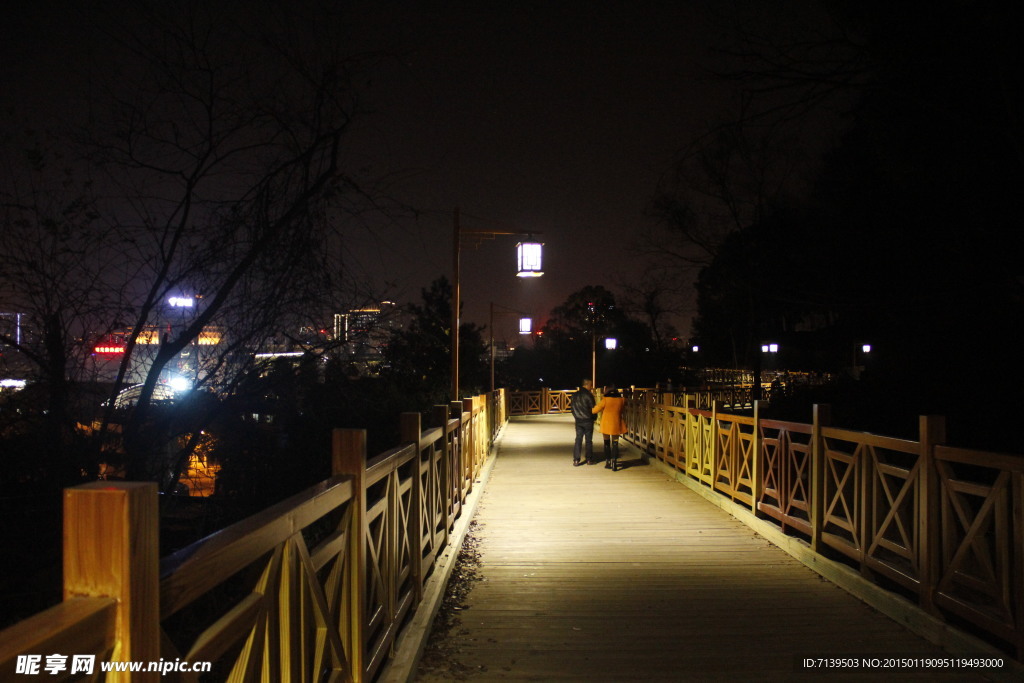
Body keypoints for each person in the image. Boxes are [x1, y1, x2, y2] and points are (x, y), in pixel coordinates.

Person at [592, 385, 627, 471]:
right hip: (616, 423)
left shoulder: (605, 400)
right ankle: (614, 462)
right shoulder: (622, 400)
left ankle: (608, 461)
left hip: (606, 424)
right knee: (615, 443)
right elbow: (622, 410)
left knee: (606, 442)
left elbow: (595, 410)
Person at [569, 379, 597, 466]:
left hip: (579, 421)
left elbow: (572, 409)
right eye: (591, 385)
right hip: (588, 420)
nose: (591, 387)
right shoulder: (589, 395)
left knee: (578, 439)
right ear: (587, 385)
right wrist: (593, 418)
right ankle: (589, 459)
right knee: (588, 441)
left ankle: (576, 460)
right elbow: (593, 409)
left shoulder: (575, 395)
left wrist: (576, 417)